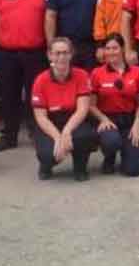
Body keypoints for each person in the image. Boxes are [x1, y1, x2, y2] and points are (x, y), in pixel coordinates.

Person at [0, 0, 50, 151]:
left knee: (36, 95)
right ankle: (9, 135)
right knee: (8, 95)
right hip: (6, 53)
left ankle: (36, 132)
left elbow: (50, 19)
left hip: (36, 52)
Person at [30, 37, 98, 181]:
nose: (61, 57)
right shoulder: (40, 80)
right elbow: (41, 117)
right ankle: (46, 165)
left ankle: (80, 167)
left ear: (71, 54)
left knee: (86, 136)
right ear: (50, 55)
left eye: (65, 53)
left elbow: (82, 109)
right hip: (50, 122)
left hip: (73, 119)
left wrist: (67, 131)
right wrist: (57, 138)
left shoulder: (81, 75)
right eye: (57, 53)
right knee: (48, 154)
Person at [87, 34, 139, 177]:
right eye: (107, 48)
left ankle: (128, 153)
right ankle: (109, 157)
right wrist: (103, 119)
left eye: (115, 48)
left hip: (129, 121)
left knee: (134, 170)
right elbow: (90, 104)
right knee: (111, 142)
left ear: (122, 49)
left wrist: (137, 123)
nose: (110, 52)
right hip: (108, 121)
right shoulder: (97, 73)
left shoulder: (137, 71)